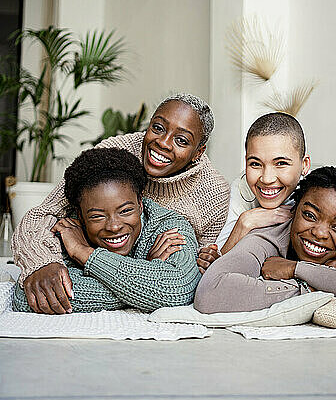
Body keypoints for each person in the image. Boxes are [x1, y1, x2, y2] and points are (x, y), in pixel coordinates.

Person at [12, 93, 230, 314]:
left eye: (181, 140)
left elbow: (184, 281)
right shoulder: (114, 153)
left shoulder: (213, 193)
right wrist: (42, 263)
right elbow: (44, 214)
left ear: (198, 152)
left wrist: (201, 262)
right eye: (158, 128)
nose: (163, 143)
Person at [197, 112, 336, 275]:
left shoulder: (315, 193)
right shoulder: (241, 190)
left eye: (281, 164)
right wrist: (245, 222)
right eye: (255, 164)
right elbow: (218, 264)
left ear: (304, 166)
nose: (267, 178)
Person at [194, 165, 336, 318]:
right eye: (310, 215)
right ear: (294, 210)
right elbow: (211, 293)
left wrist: (298, 270)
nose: (320, 233)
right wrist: (314, 287)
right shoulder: (267, 236)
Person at [13, 147, 201, 314]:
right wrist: (148, 279)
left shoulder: (170, 227)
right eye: (97, 216)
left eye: (126, 211)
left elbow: (178, 287)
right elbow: (26, 297)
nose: (114, 226)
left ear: (140, 204)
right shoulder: (67, 228)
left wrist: (84, 253)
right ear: (80, 214)